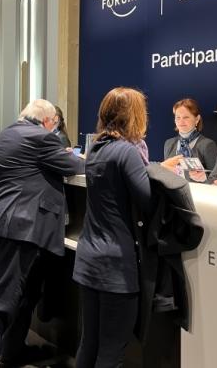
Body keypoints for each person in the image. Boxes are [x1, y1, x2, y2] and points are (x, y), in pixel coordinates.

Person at [0, 99, 84, 368]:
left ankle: (13, 351)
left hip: (0, 222)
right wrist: (75, 156)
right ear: (47, 121)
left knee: (27, 292)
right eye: (54, 123)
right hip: (20, 228)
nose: (54, 128)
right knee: (1, 300)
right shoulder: (42, 138)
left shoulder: (7, 133)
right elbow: (75, 167)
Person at [73, 87, 152, 368]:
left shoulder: (96, 148)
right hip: (115, 265)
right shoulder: (127, 152)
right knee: (111, 351)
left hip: (89, 257)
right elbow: (147, 200)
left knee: (89, 342)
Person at [162, 98, 217, 182]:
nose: (181, 121)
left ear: (197, 119)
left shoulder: (208, 145)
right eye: (178, 117)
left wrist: (205, 178)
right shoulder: (169, 143)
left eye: (186, 117)